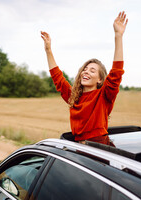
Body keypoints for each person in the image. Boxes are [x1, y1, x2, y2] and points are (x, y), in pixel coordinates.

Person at [41, 11, 128, 144]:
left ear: (100, 79)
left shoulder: (104, 96)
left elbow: (116, 72)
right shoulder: (73, 97)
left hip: (99, 152)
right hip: (79, 151)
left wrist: (118, 36)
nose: (86, 72)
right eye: (84, 69)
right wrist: (48, 50)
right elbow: (57, 78)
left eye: (92, 71)